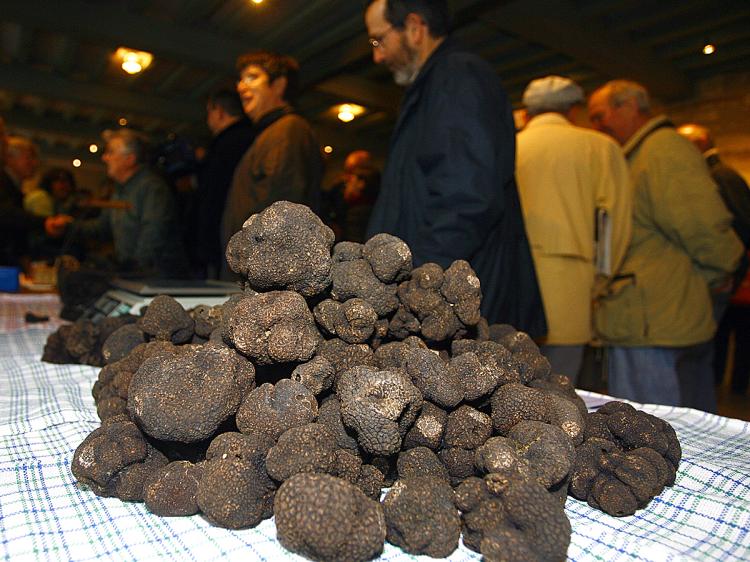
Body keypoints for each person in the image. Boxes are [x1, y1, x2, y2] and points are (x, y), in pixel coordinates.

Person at [363, 0, 546, 336]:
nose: (377, 55)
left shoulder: (457, 76)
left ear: (415, 28)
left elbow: (466, 196)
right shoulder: (436, 84)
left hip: (458, 302)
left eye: (379, 40)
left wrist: (418, 282)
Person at [587, 80, 743, 411]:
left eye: (601, 116)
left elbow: (704, 226)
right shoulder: (641, 154)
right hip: (649, 316)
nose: (597, 126)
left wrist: (722, 273)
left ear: (628, 106)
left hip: (655, 321)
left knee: (653, 427)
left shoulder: (662, 152)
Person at [516, 76, 633, 382]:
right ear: (573, 111)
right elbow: (613, 224)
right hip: (570, 290)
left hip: (512, 291)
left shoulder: (510, 145)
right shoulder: (600, 147)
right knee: (562, 388)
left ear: (527, 112)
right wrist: (602, 282)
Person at [221, 51, 323, 255]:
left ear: (278, 85)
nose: (241, 86)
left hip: (265, 271)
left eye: (252, 77)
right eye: (241, 80)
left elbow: (284, 209)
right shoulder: (269, 134)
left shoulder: (288, 130)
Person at [677, 123, 750, 390]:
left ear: (700, 143)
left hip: (724, 277)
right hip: (721, 274)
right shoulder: (715, 174)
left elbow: (742, 224)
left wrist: (730, 270)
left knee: (718, 347)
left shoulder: (720, 176)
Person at [71, 128, 187, 277]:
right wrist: (69, 225)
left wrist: (130, 270)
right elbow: (102, 227)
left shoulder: (151, 188)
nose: (105, 158)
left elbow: (153, 236)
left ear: (130, 159)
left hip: (158, 281)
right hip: (139, 278)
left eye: (111, 152)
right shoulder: (120, 191)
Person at [192, 88, 254, 278]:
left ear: (218, 111)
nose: (207, 119)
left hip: (224, 236)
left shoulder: (224, 145)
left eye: (209, 112)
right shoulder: (252, 138)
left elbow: (213, 195)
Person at [0, 122, 67, 266]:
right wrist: (45, 222)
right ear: (9, 158)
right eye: (29, 158)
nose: (34, 163)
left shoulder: (13, 187)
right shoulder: (4, 183)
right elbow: (6, 214)